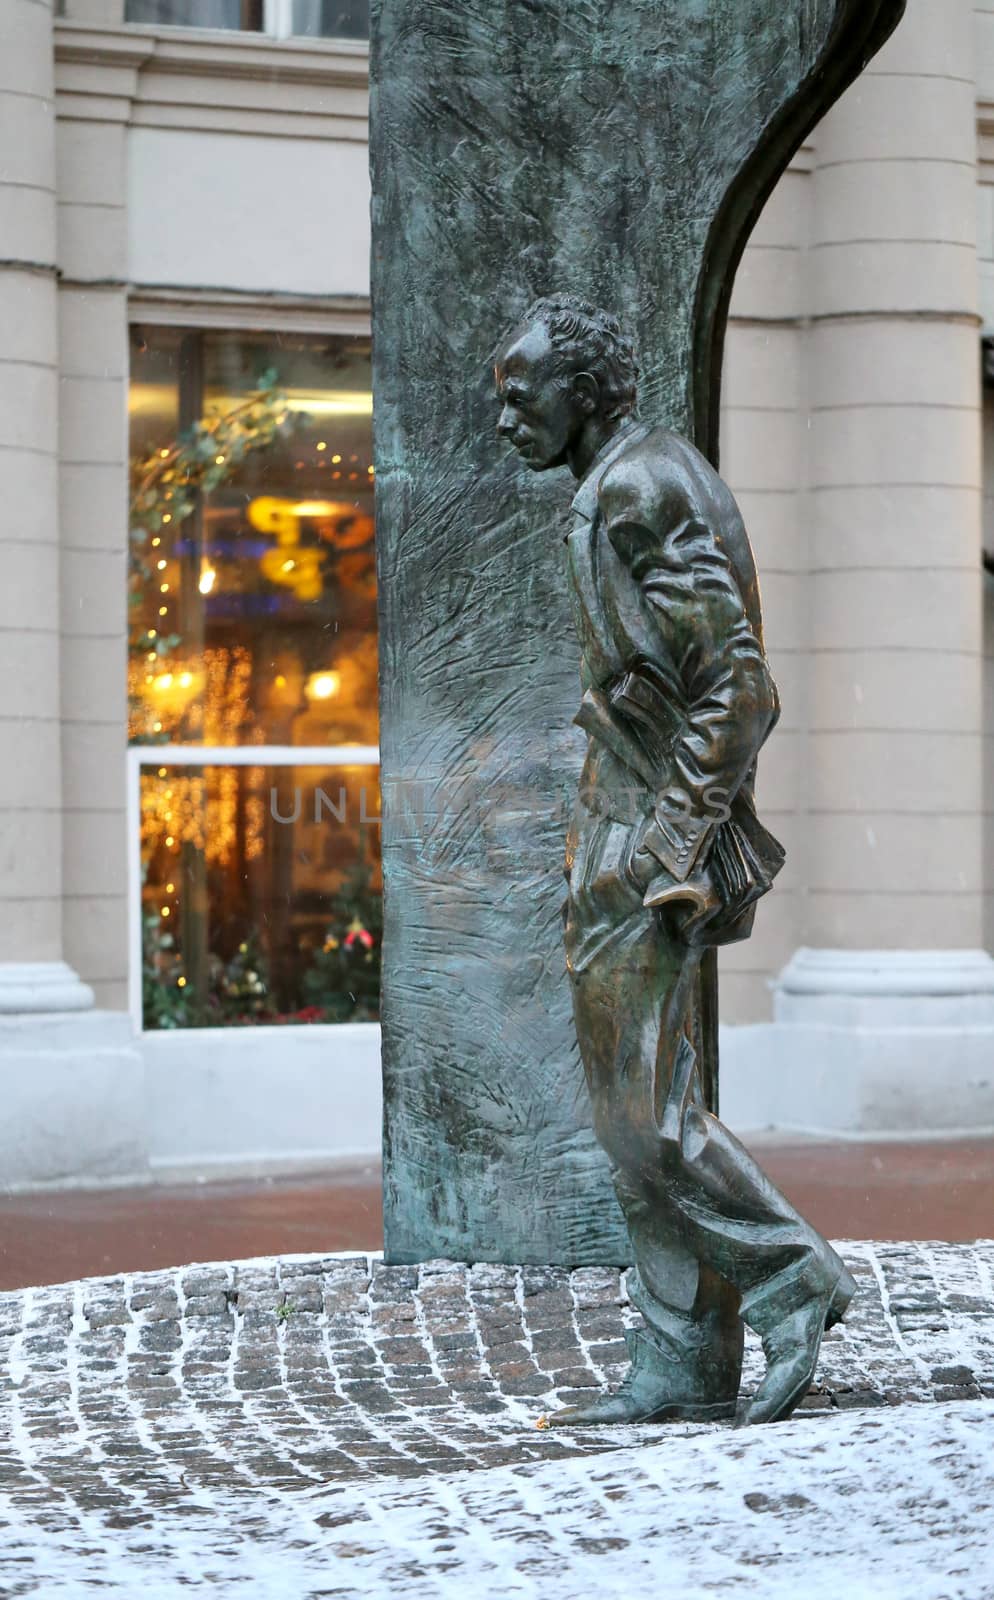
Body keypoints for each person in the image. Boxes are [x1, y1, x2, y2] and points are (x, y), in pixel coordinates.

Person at [494, 293, 855, 1426]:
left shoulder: (647, 484)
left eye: (521, 393)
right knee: (635, 1099)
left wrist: (674, 839)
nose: (505, 417)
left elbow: (737, 684)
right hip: (621, 807)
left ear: (584, 389)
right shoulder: (612, 485)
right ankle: (680, 1358)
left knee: (638, 1112)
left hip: (645, 828)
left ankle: (791, 1274)